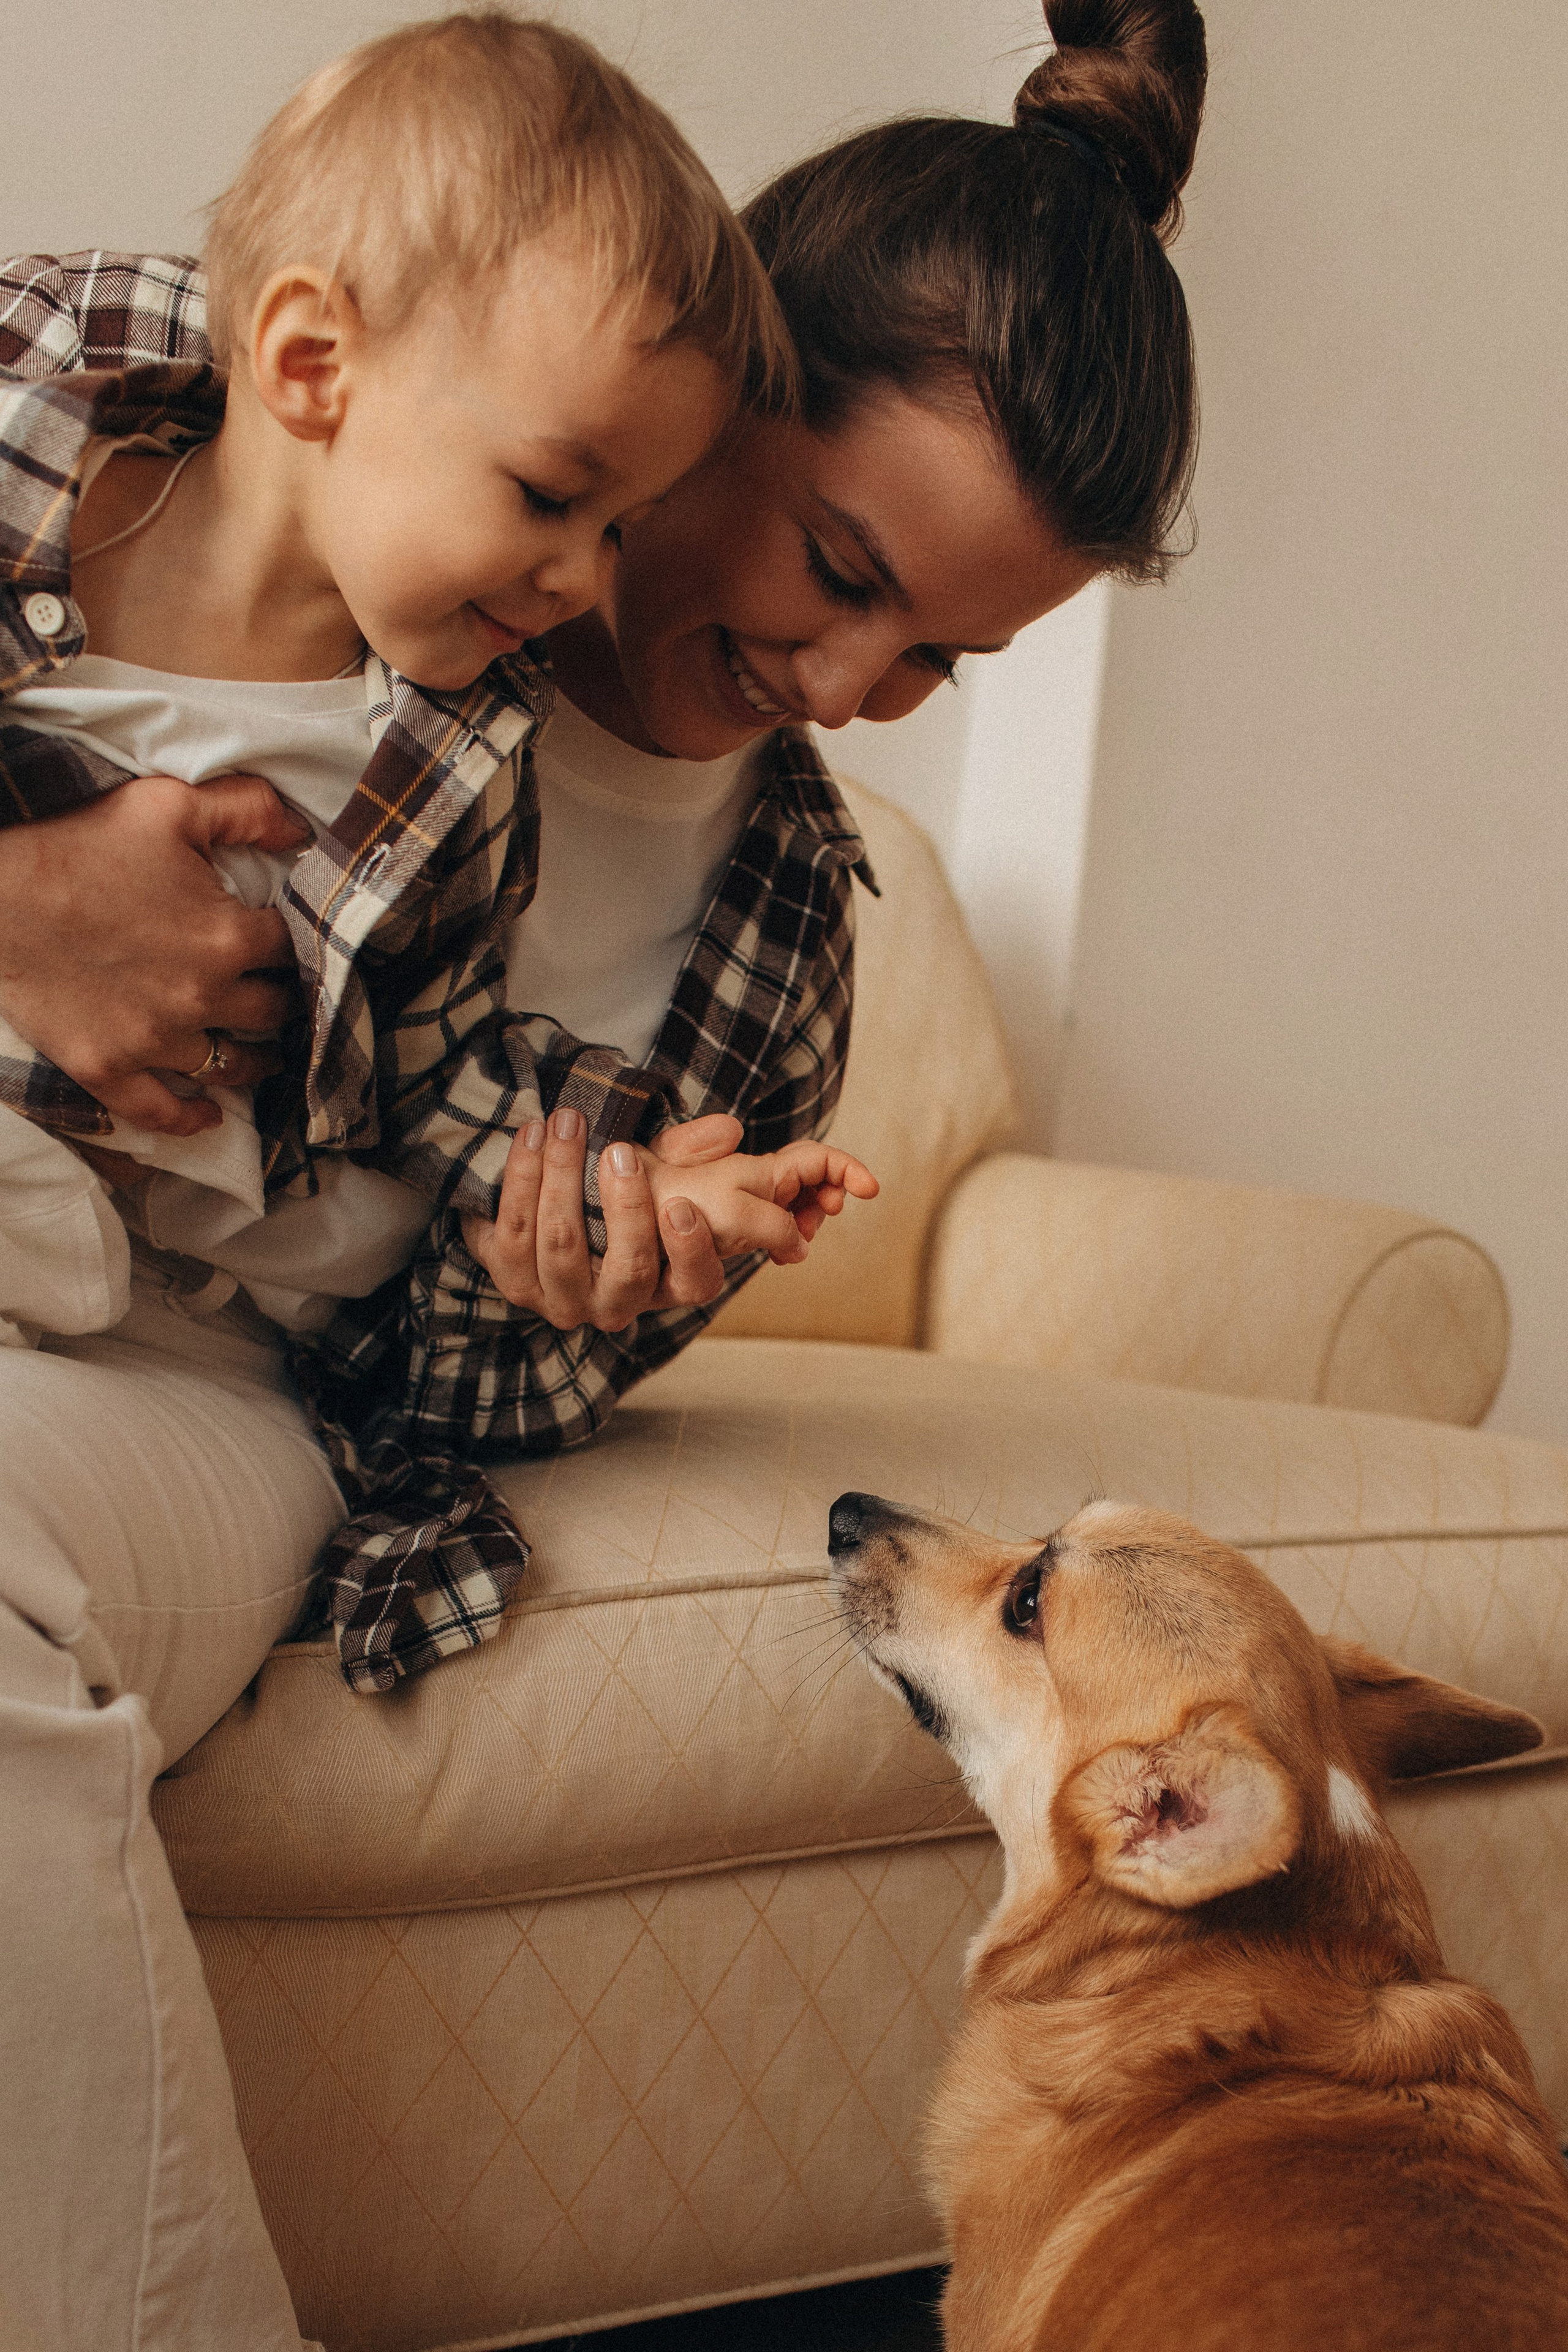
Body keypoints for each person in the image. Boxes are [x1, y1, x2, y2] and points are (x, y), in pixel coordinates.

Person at [0, 1, 1207, 2342]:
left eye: (937, 661)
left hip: (206, 1381)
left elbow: (418, 1361)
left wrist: (559, 1308)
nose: (847, 686)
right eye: (841, 558)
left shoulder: (774, 938)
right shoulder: (224, 445)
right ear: (715, 369)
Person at [0, 13, 876, 1690]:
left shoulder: (445, 759)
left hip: (140, 1303)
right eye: (554, 494)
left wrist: (613, 1193)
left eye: (619, 524)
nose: (585, 580)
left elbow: (439, 1068)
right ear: (314, 365)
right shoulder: (42, 414)